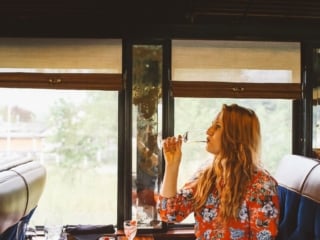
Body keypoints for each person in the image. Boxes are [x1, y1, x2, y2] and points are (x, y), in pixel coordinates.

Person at [158, 103, 280, 240]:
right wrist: (172, 165)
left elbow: (263, 237)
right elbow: (169, 213)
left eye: (218, 127)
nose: (208, 131)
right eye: (212, 125)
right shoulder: (207, 172)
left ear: (235, 136)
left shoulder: (261, 185)